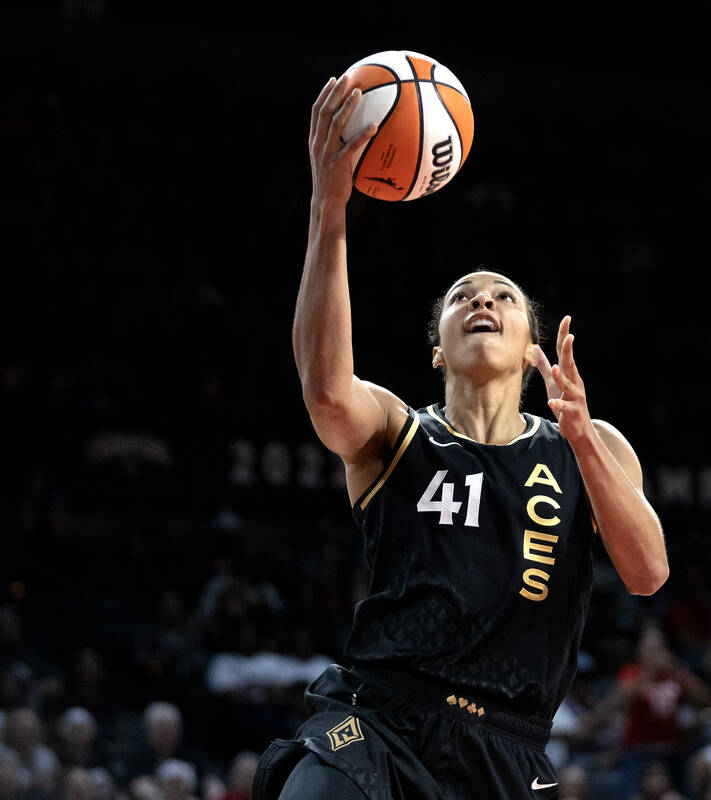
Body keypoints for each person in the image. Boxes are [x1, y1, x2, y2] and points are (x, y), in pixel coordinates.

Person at [253, 74, 669, 799]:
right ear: (438, 350)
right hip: (376, 723)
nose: (482, 299)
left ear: (532, 342)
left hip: (506, 752)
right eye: (462, 296)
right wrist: (331, 206)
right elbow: (324, 392)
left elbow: (648, 573)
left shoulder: (589, 445)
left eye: (503, 296)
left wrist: (583, 443)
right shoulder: (397, 431)